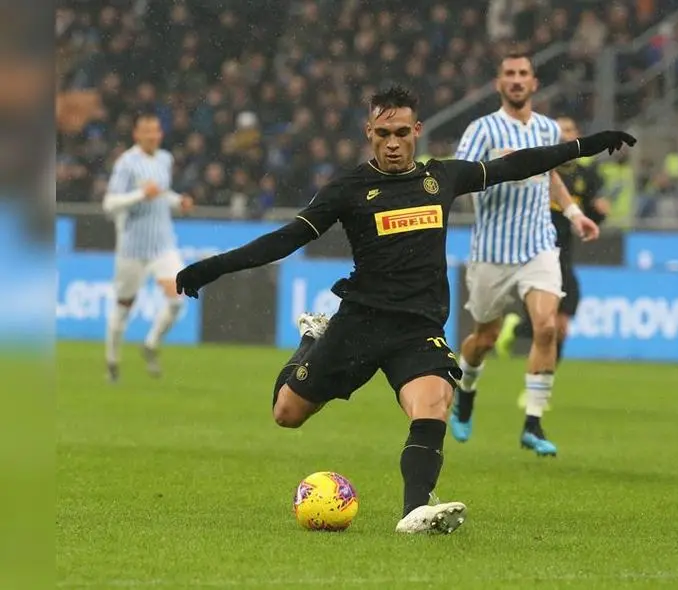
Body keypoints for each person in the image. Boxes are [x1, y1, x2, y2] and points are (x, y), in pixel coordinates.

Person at [173, 86, 635, 534]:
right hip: (359, 323)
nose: (392, 144)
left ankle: (416, 511)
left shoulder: (440, 178)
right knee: (286, 414)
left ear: (416, 131)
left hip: (417, 327)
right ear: (368, 133)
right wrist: (210, 269)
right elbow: (283, 240)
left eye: (400, 133)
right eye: (382, 134)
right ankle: (311, 339)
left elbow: (516, 165)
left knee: (434, 403)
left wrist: (586, 145)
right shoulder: (348, 189)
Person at [449, 54, 601, 457]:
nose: (516, 80)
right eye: (509, 74)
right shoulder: (482, 129)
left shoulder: (549, 128)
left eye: (523, 74)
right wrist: (494, 175)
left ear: (534, 83)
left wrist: (574, 213)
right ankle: (466, 392)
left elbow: (551, 175)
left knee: (547, 327)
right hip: (492, 251)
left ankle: (533, 423)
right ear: (499, 83)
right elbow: (458, 176)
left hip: (538, 245)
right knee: (485, 338)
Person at [494, 115, 608, 369]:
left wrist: (599, 213)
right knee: (546, 322)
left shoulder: (586, 175)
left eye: (571, 129)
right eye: (561, 130)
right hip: (537, 249)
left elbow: (589, 216)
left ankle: (544, 381)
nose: (566, 134)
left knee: (562, 326)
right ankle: (517, 331)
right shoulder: (540, 165)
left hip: (564, 253)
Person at [102, 112, 194, 383]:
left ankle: (151, 344)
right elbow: (108, 205)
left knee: (177, 299)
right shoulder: (126, 164)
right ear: (137, 135)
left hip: (163, 245)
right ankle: (112, 361)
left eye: (156, 131)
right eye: (147, 132)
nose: (153, 136)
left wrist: (179, 202)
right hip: (132, 248)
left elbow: (162, 194)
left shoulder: (165, 159)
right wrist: (141, 194)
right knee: (123, 308)